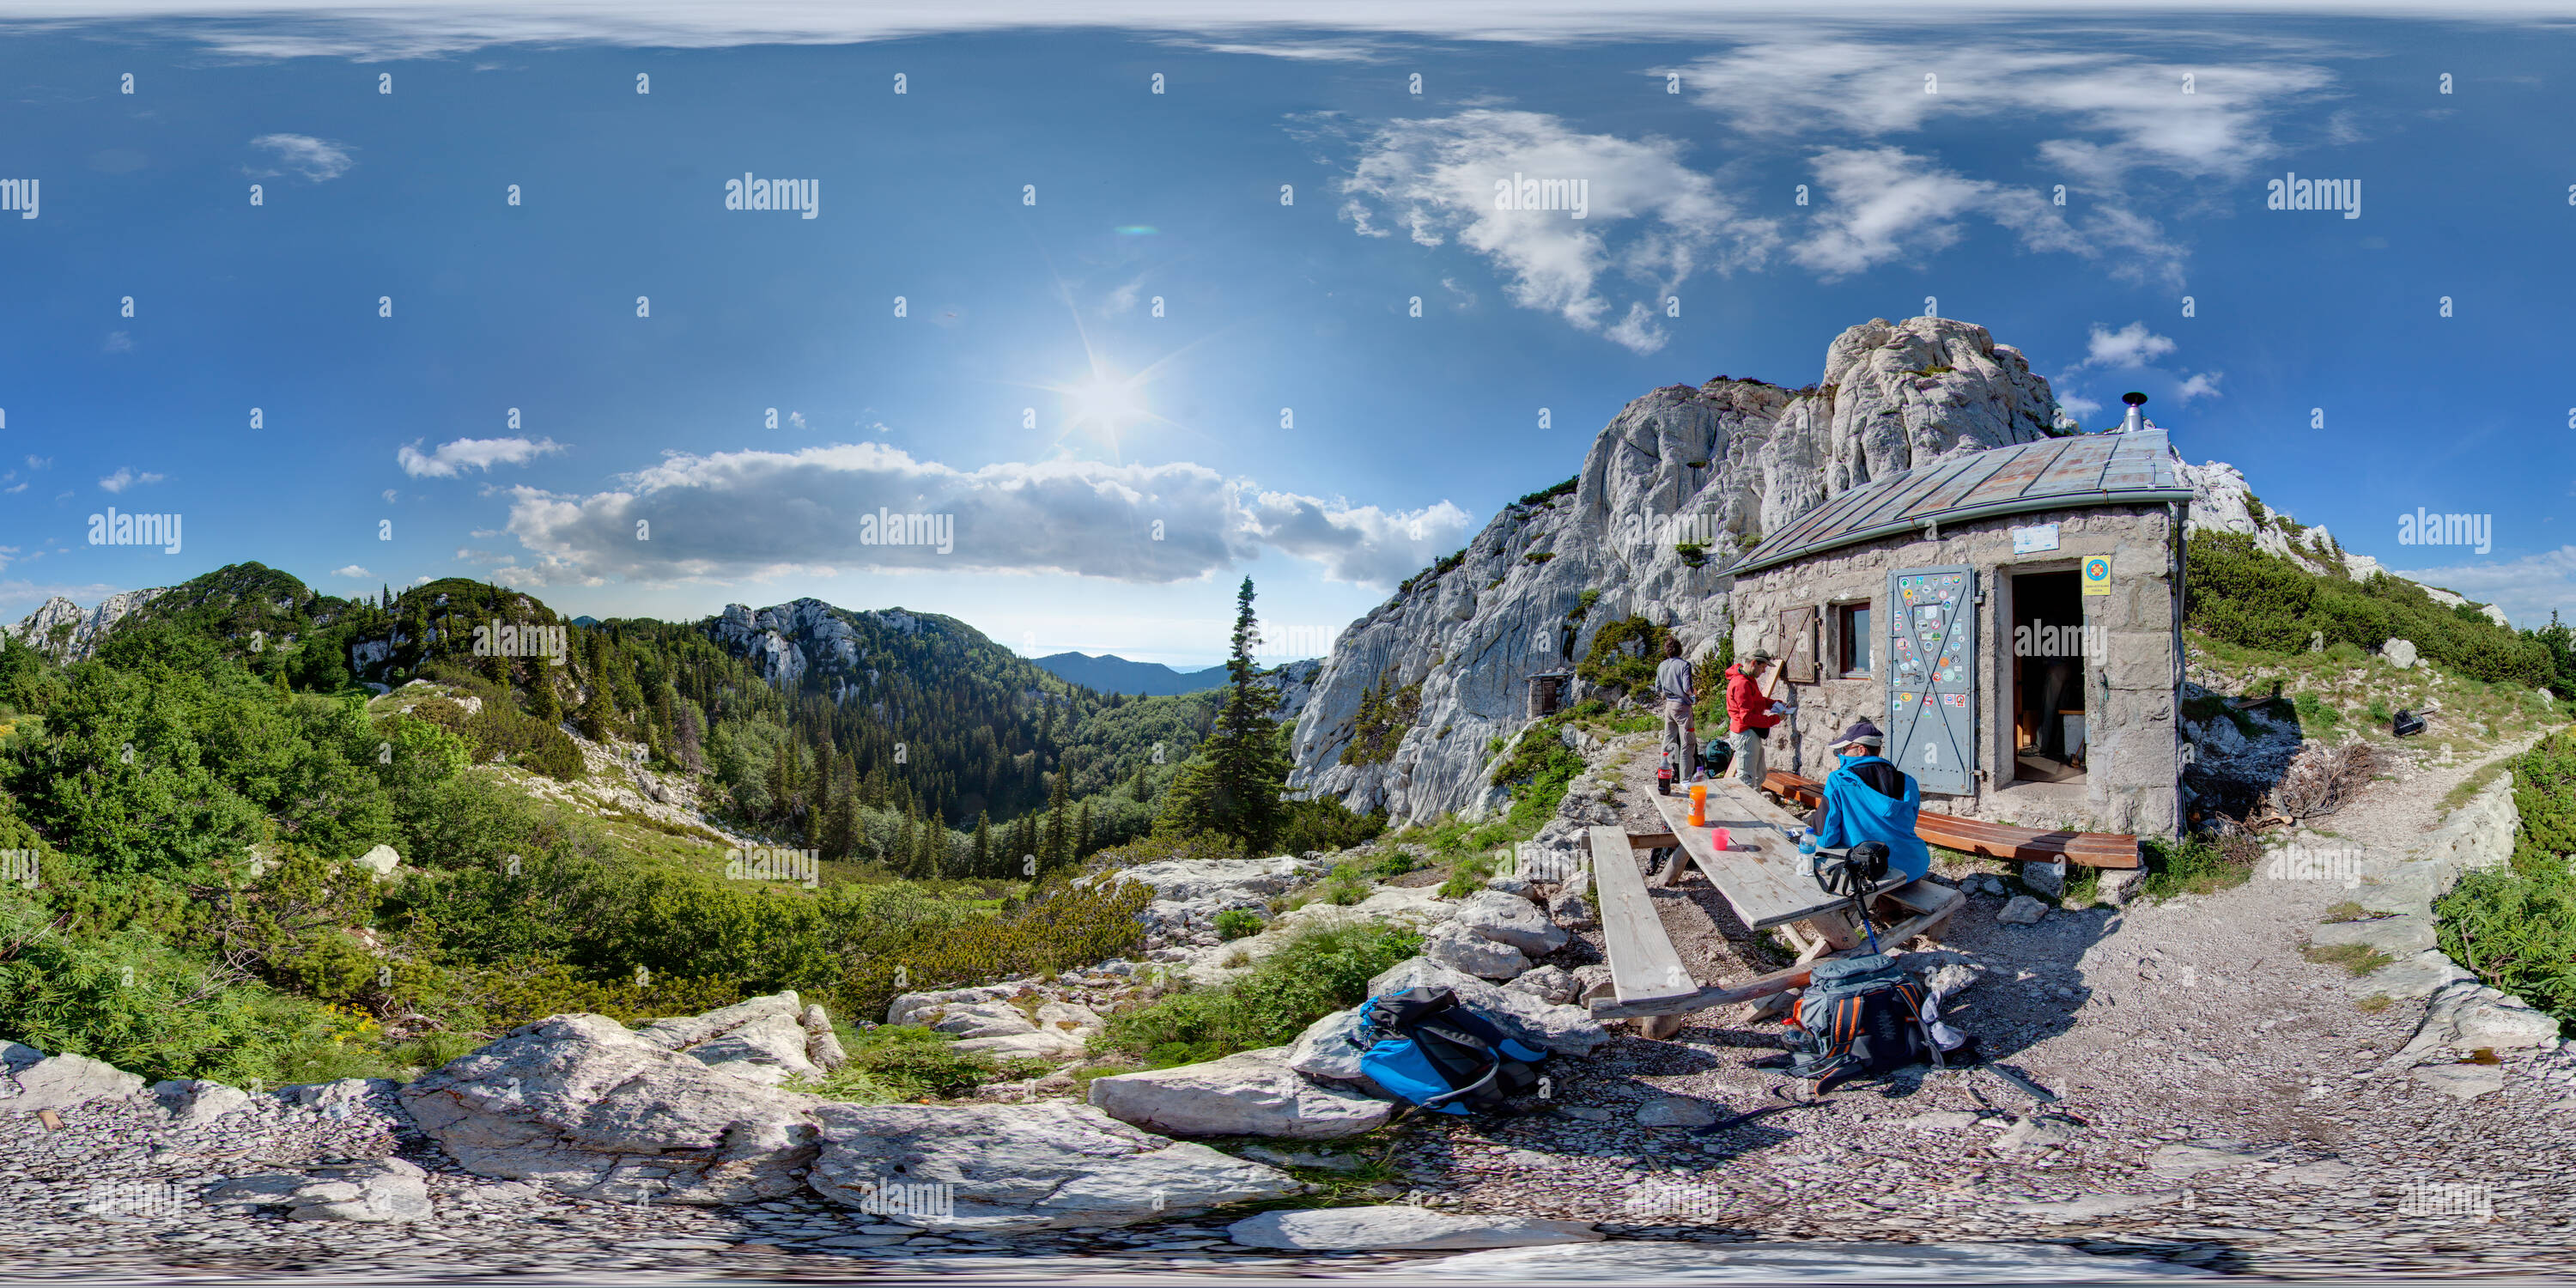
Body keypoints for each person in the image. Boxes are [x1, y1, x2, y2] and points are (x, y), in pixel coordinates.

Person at [1806, 720, 1931, 884]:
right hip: (1914, 867)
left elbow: (1826, 838)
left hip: (1873, 870)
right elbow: (1907, 824)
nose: (1841, 753)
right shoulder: (1909, 782)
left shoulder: (1839, 780)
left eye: (1844, 749)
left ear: (1861, 750)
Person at [1724, 650, 1784, 788]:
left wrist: (1774, 704)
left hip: (1750, 734)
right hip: (1745, 734)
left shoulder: (1746, 679)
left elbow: (1756, 701)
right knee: (1746, 779)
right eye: (1763, 667)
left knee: (1759, 775)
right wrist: (1775, 719)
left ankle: (1757, 808)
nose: (1763, 671)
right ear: (1753, 663)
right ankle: (1744, 810)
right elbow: (1747, 717)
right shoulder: (1742, 684)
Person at [1652, 637, 1698, 777]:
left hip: (1669, 706)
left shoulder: (1661, 666)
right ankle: (1685, 778)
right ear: (1680, 650)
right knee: (1687, 743)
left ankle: (1665, 772)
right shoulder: (1684, 665)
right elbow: (1687, 687)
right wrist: (1694, 695)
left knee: (1669, 740)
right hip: (1682, 707)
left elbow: (1658, 687)